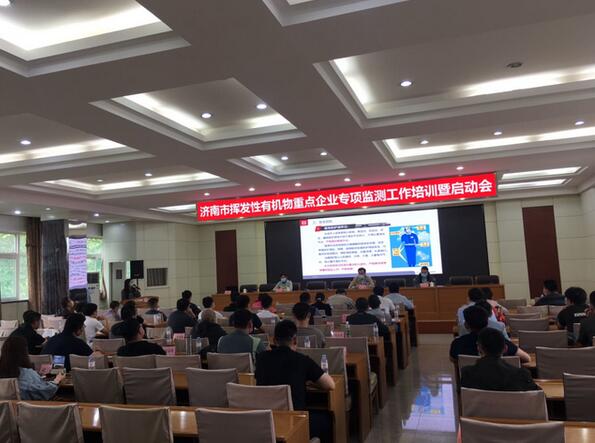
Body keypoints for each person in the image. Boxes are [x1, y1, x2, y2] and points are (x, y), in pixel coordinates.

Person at [255, 320, 335, 442]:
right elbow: (330, 385)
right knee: (326, 418)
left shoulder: (261, 359)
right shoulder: (302, 360)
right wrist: (309, 382)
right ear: (295, 340)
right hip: (295, 421)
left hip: (266, 421)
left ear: (274, 340)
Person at [460, 327, 540, 391]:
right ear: (505, 349)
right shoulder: (521, 375)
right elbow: (538, 398)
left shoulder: (467, 375)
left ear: (479, 348)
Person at [449, 305, 530, 363]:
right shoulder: (498, 339)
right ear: (488, 322)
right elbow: (526, 358)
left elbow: (454, 360)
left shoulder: (457, 344)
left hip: (472, 381)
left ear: (466, 325)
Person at [0, 336, 64, 400]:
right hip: (28, 406)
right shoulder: (26, 373)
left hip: (5, 406)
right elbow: (44, 391)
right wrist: (56, 380)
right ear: (24, 352)